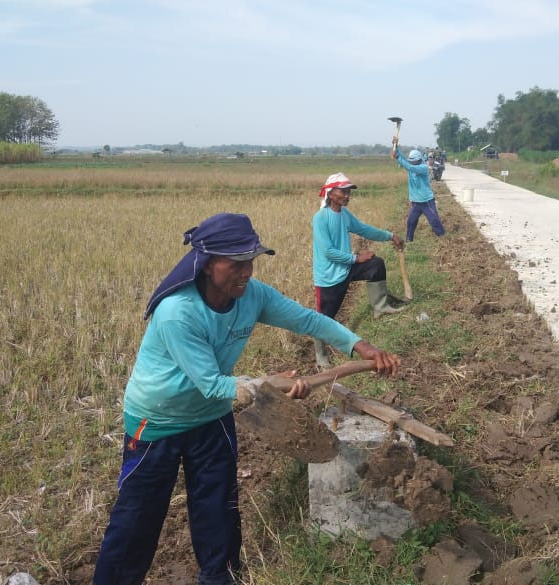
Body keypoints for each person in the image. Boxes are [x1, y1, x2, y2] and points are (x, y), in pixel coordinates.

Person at [93, 212, 400, 585]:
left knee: (219, 509)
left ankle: (219, 580)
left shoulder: (251, 295)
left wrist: (359, 345)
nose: (246, 272)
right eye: (236, 263)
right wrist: (268, 384)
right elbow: (212, 384)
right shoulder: (179, 312)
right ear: (207, 264)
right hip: (157, 421)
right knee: (138, 518)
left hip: (211, 417)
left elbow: (307, 320)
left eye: (250, 261)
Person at [312, 172, 408, 368]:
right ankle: (320, 355)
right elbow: (328, 252)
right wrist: (356, 258)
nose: (347, 196)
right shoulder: (320, 218)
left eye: (349, 192)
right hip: (329, 277)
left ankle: (380, 307)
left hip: (347, 269)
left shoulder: (344, 215)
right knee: (323, 318)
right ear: (330, 193)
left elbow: (365, 229)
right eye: (343, 192)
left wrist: (391, 236)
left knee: (375, 265)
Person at [391, 137, 446, 241]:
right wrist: (395, 146)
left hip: (427, 202)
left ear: (419, 160)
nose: (412, 163)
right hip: (416, 203)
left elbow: (409, 166)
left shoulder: (423, 167)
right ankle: (408, 241)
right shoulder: (411, 166)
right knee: (411, 222)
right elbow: (402, 158)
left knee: (434, 221)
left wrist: (397, 157)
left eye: (414, 162)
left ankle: (443, 238)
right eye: (410, 161)